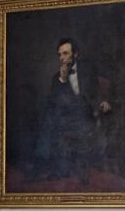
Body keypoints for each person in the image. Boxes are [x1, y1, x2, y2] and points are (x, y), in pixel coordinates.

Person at [35, 38, 112, 181]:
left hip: (87, 113)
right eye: (59, 55)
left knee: (51, 119)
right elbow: (54, 102)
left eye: (65, 53)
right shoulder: (56, 78)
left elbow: (97, 90)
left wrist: (104, 101)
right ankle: (53, 166)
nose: (62, 58)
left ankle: (46, 164)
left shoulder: (88, 70)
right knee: (48, 115)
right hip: (67, 116)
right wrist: (63, 80)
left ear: (75, 54)